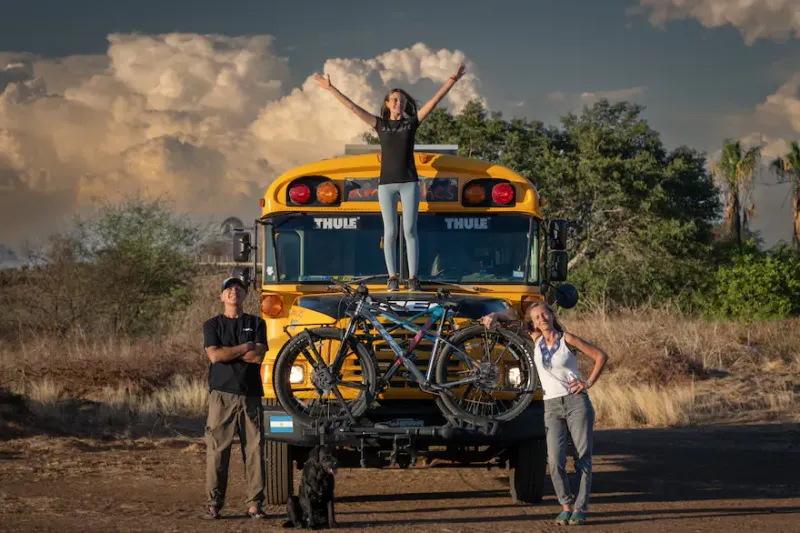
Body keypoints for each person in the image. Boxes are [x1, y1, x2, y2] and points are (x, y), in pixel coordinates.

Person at [314, 63, 466, 292]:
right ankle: (392, 277)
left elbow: (433, 102)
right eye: (395, 100)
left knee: (410, 230)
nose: (399, 103)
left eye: (402, 101)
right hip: (386, 184)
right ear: (387, 104)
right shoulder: (380, 124)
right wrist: (331, 88)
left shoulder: (410, 123)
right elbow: (354, 108)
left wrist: (452, 79)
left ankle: (413, 277)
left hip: (409, 182)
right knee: (390, 231)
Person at [481, 302, 608, 526]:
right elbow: (509, 321)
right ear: (534, 322)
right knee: (555, 459)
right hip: (551, 406)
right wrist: (494, 315)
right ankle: (565, 505)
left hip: (576, 402)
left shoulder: (567, 339)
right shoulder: (536, 339)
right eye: (537, 317)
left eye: (544, 314)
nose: (541, 319)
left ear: (551, 314)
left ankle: (579, 508)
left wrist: (587, 382)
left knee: (582, 457)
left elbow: (600, 356)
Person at [202, 277, 268, 520]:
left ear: (244, 295)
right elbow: (215, 356)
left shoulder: (257, 322)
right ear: (221, 297)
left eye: (238, 289)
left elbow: (258, 357)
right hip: (221, 396)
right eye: (229, 289)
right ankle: (214, 504)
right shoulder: (212, 325)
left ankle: (255, 504)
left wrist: (230, 352)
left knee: (254, 451)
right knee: (218, 451)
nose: (234, 292)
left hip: (251, 395)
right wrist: (244, 348)